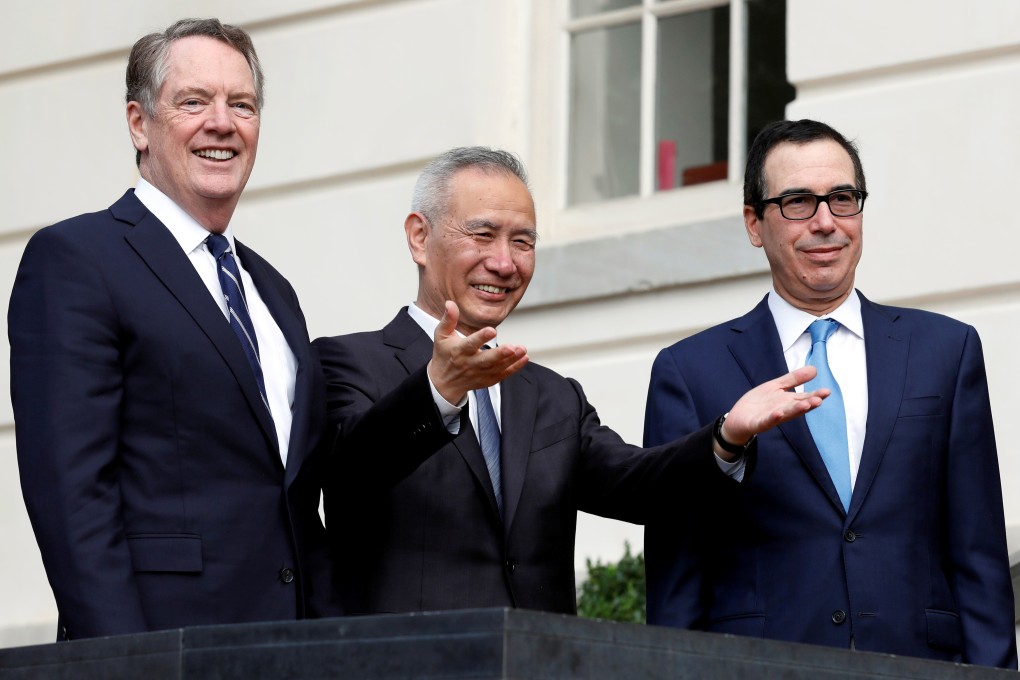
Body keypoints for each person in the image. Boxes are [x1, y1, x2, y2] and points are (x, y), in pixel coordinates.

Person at [313, 146, 827, 615]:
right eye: (483, 233)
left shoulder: (551, 395)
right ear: (419, 237)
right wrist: (437, 391)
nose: (504, 262)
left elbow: (639, 487)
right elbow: (348, 477)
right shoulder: (347, 362)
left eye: (523, 242)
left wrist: (727, 437)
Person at [643, 119, 1017, 668]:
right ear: (754, 222)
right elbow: (678, 573)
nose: (826, 223)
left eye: (842, 199)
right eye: (797, 202)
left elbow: (978, 553)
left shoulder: (945, 350)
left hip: (919, 665)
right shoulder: (691, 371)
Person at [8, 18, 336, 640]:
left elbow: (291, 499)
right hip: (165, 649)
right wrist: (127, 662)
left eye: (242, 104)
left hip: (293, 650)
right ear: (139, 123)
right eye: (193, 102)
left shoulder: (272, 291)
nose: (222, 123)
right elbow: (72, 497)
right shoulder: (77, 260)